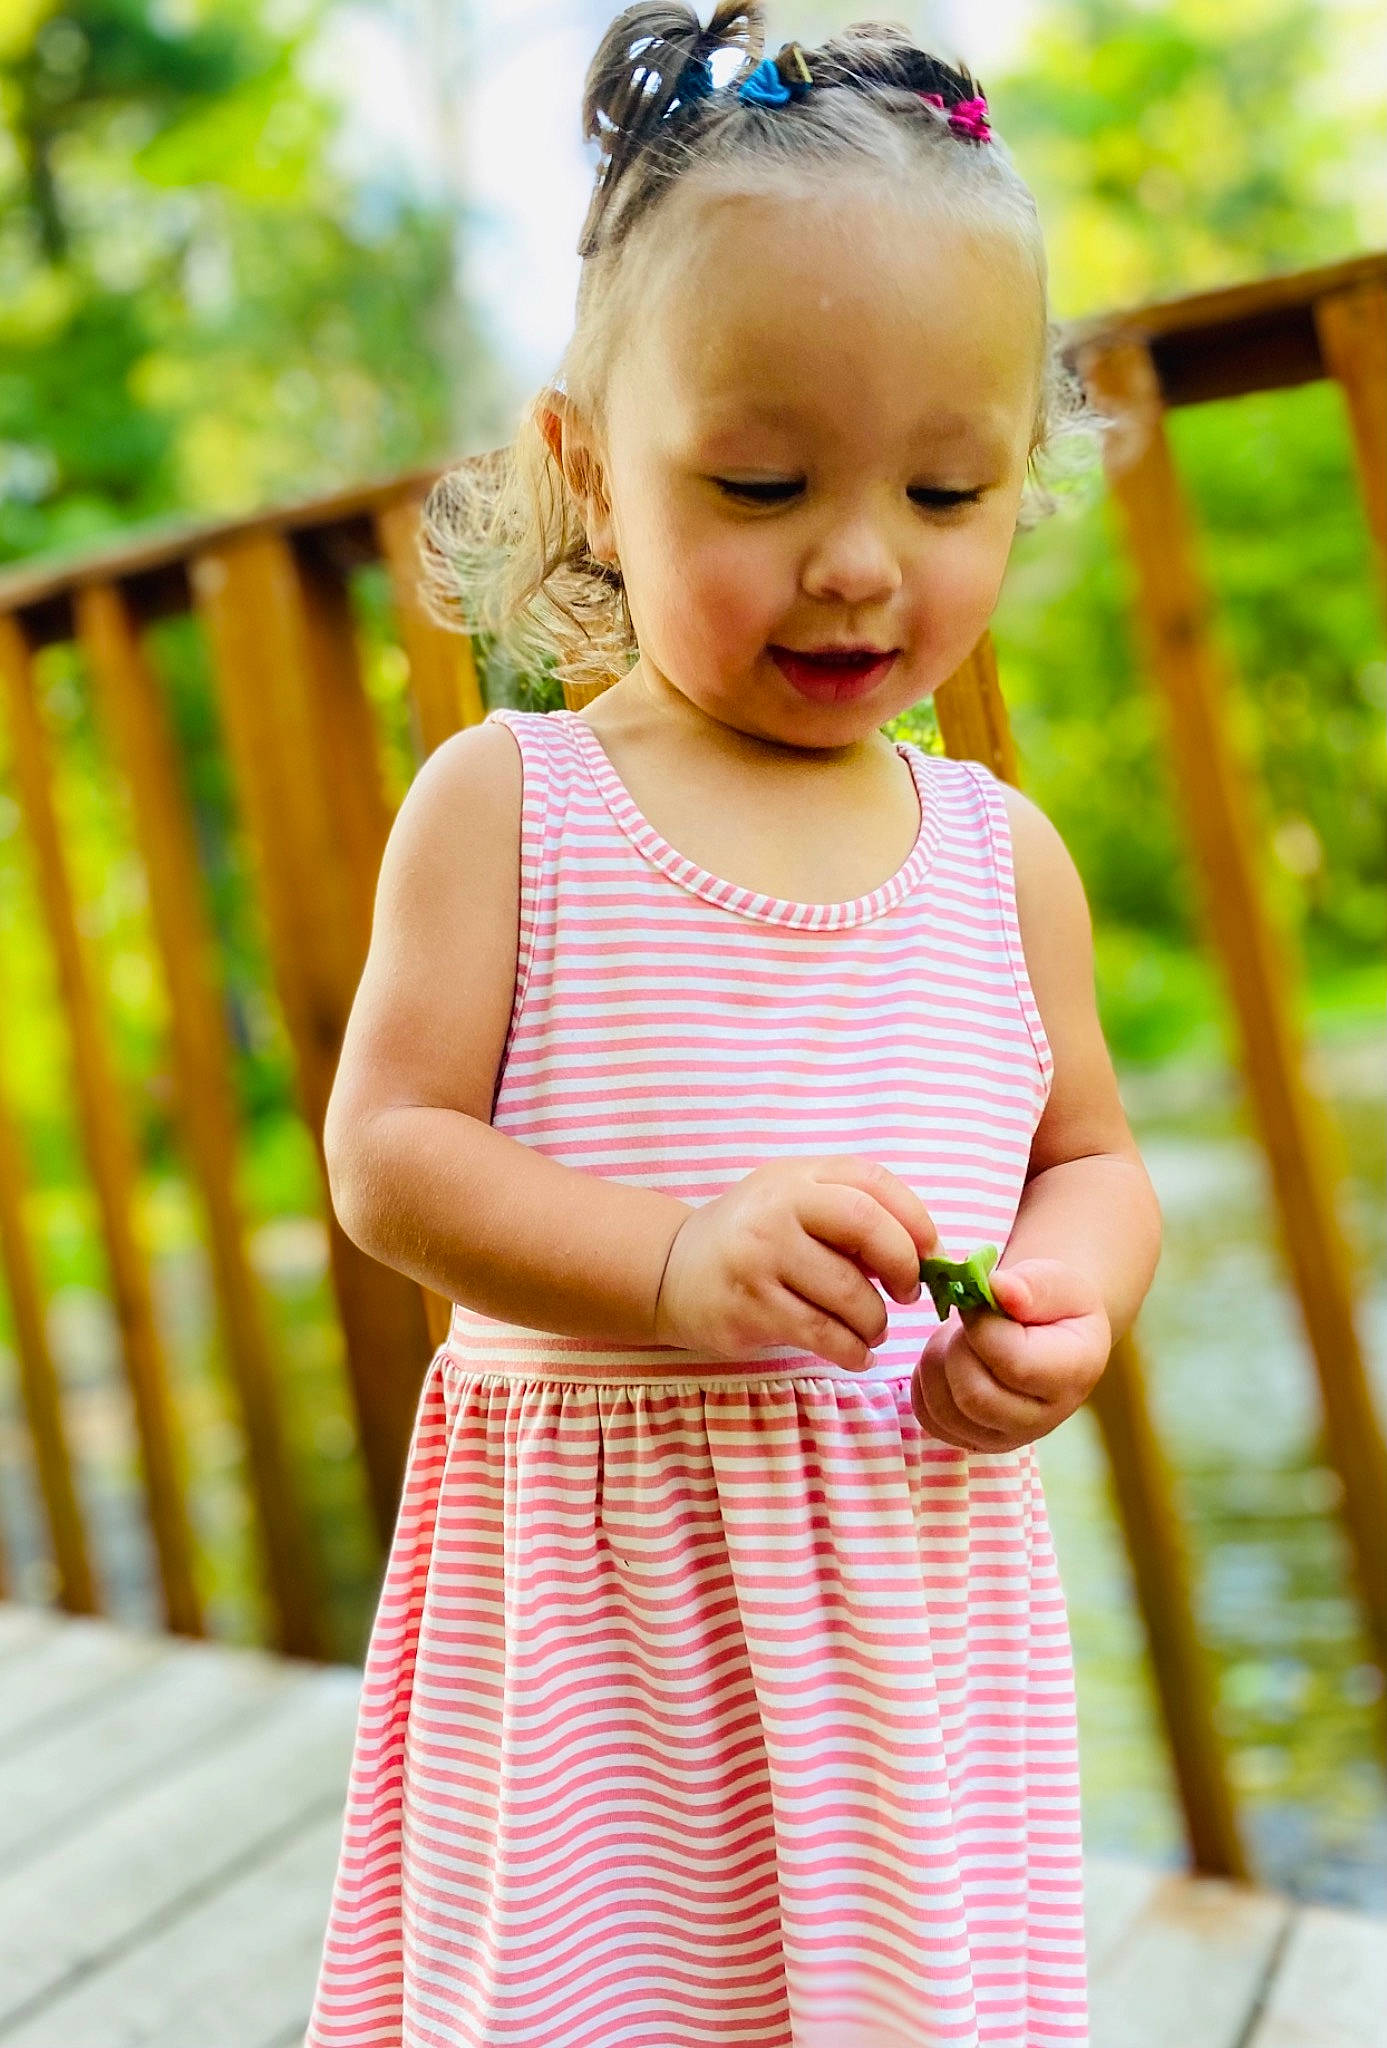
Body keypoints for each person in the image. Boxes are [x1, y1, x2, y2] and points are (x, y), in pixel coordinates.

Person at [304, 7, 1163, 2045]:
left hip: (905, 1621)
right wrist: (672, 1263)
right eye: (764, 480)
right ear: (589, 464)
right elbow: (388, 1154)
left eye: (947, 490)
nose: (859, 562)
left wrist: (1065, 1298)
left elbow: (1092, 1155)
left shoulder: (996, 854)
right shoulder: (517, 807)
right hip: (610, 1650)